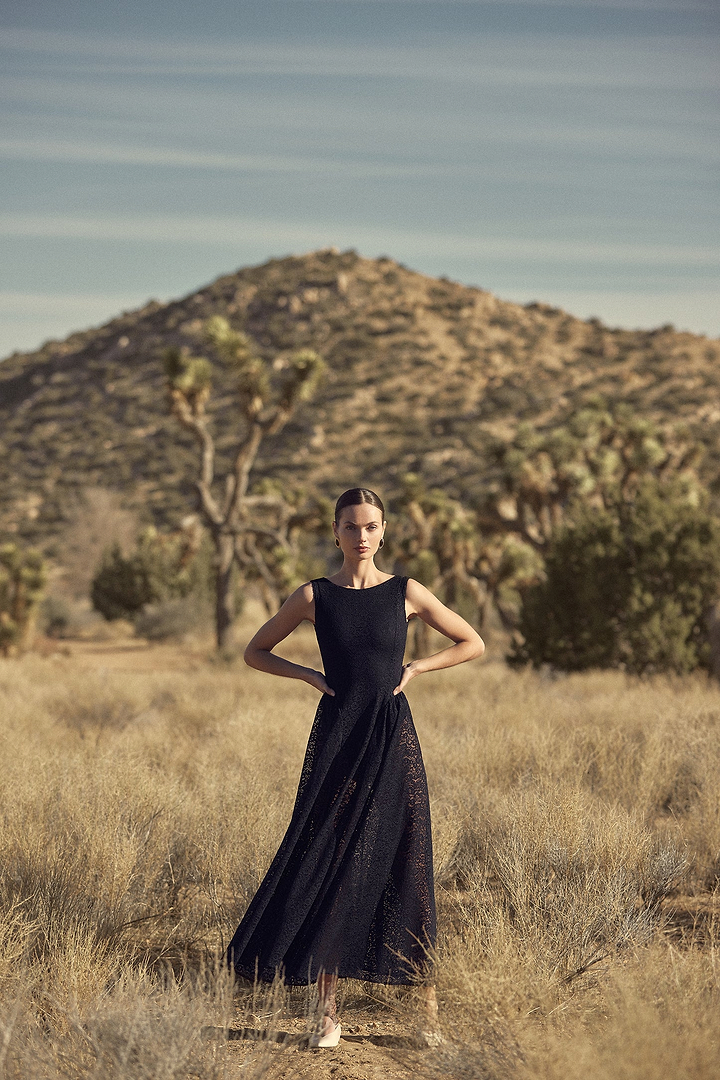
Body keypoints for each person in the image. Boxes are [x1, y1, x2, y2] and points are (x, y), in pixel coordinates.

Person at [227, 487, 485, 1046]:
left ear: (384, 531)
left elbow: (472, 642)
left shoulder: (407, 592)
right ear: (336, 533)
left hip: (393, 737)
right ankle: (326, 1015)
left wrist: (417, 667)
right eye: (350, 527)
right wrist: (308, 676)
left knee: (408, 859)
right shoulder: (313, 596)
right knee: (331, 856)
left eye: (370, 526)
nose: (361, 536)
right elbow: (255, 651)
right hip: (338, 737)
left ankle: (427, 1016)